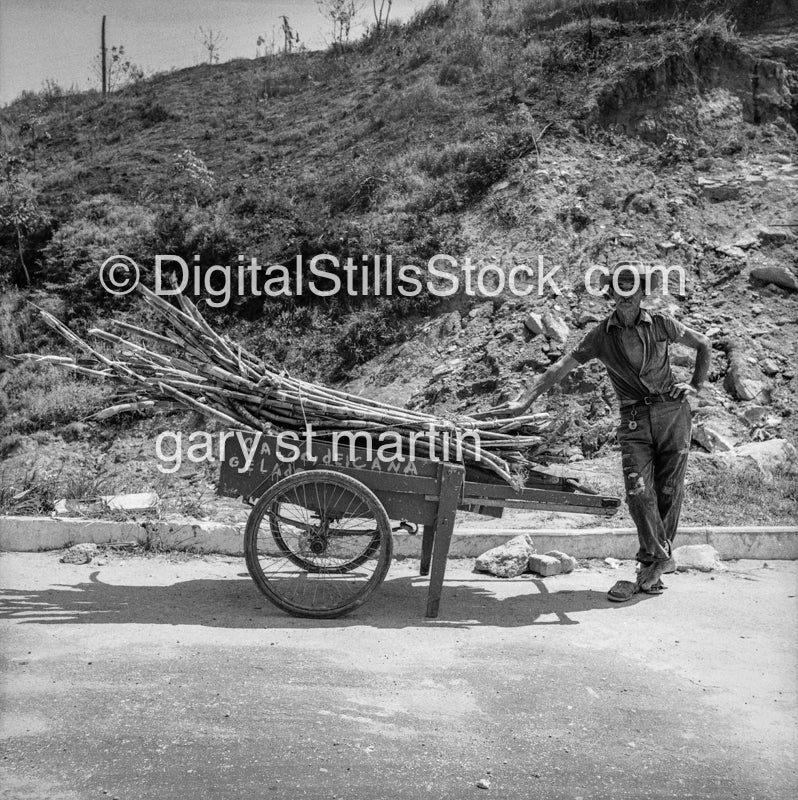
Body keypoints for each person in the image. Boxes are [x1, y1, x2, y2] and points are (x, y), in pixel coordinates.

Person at [491, 263, 711, 601]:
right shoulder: (600, 336)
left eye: (631, 290)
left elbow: (703, 344)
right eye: (618, 290)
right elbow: (560, 367)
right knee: (639, 492)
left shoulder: (663, 323)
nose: (624, 297)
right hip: (634, 420)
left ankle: (650, 568)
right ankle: (660, 560)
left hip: (673, 414)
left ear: (641, 293)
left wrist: (695, 386)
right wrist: (524, 400)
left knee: (669, 491)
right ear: (611, 293)